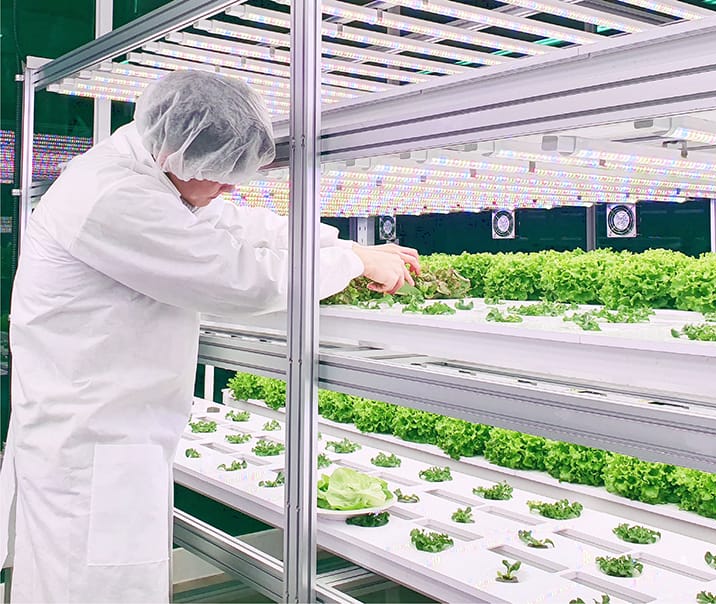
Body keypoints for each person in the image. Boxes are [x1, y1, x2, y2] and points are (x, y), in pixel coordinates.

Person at [0, 70, 419, 603]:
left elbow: (239, 224)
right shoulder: (110, 197)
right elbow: (238, 277)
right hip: (90, 453)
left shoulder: (150, 172)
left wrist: (344, 247)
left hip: (106, 436)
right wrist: (354, 260)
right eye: (222, 173)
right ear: (180, 153)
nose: (228, 187)